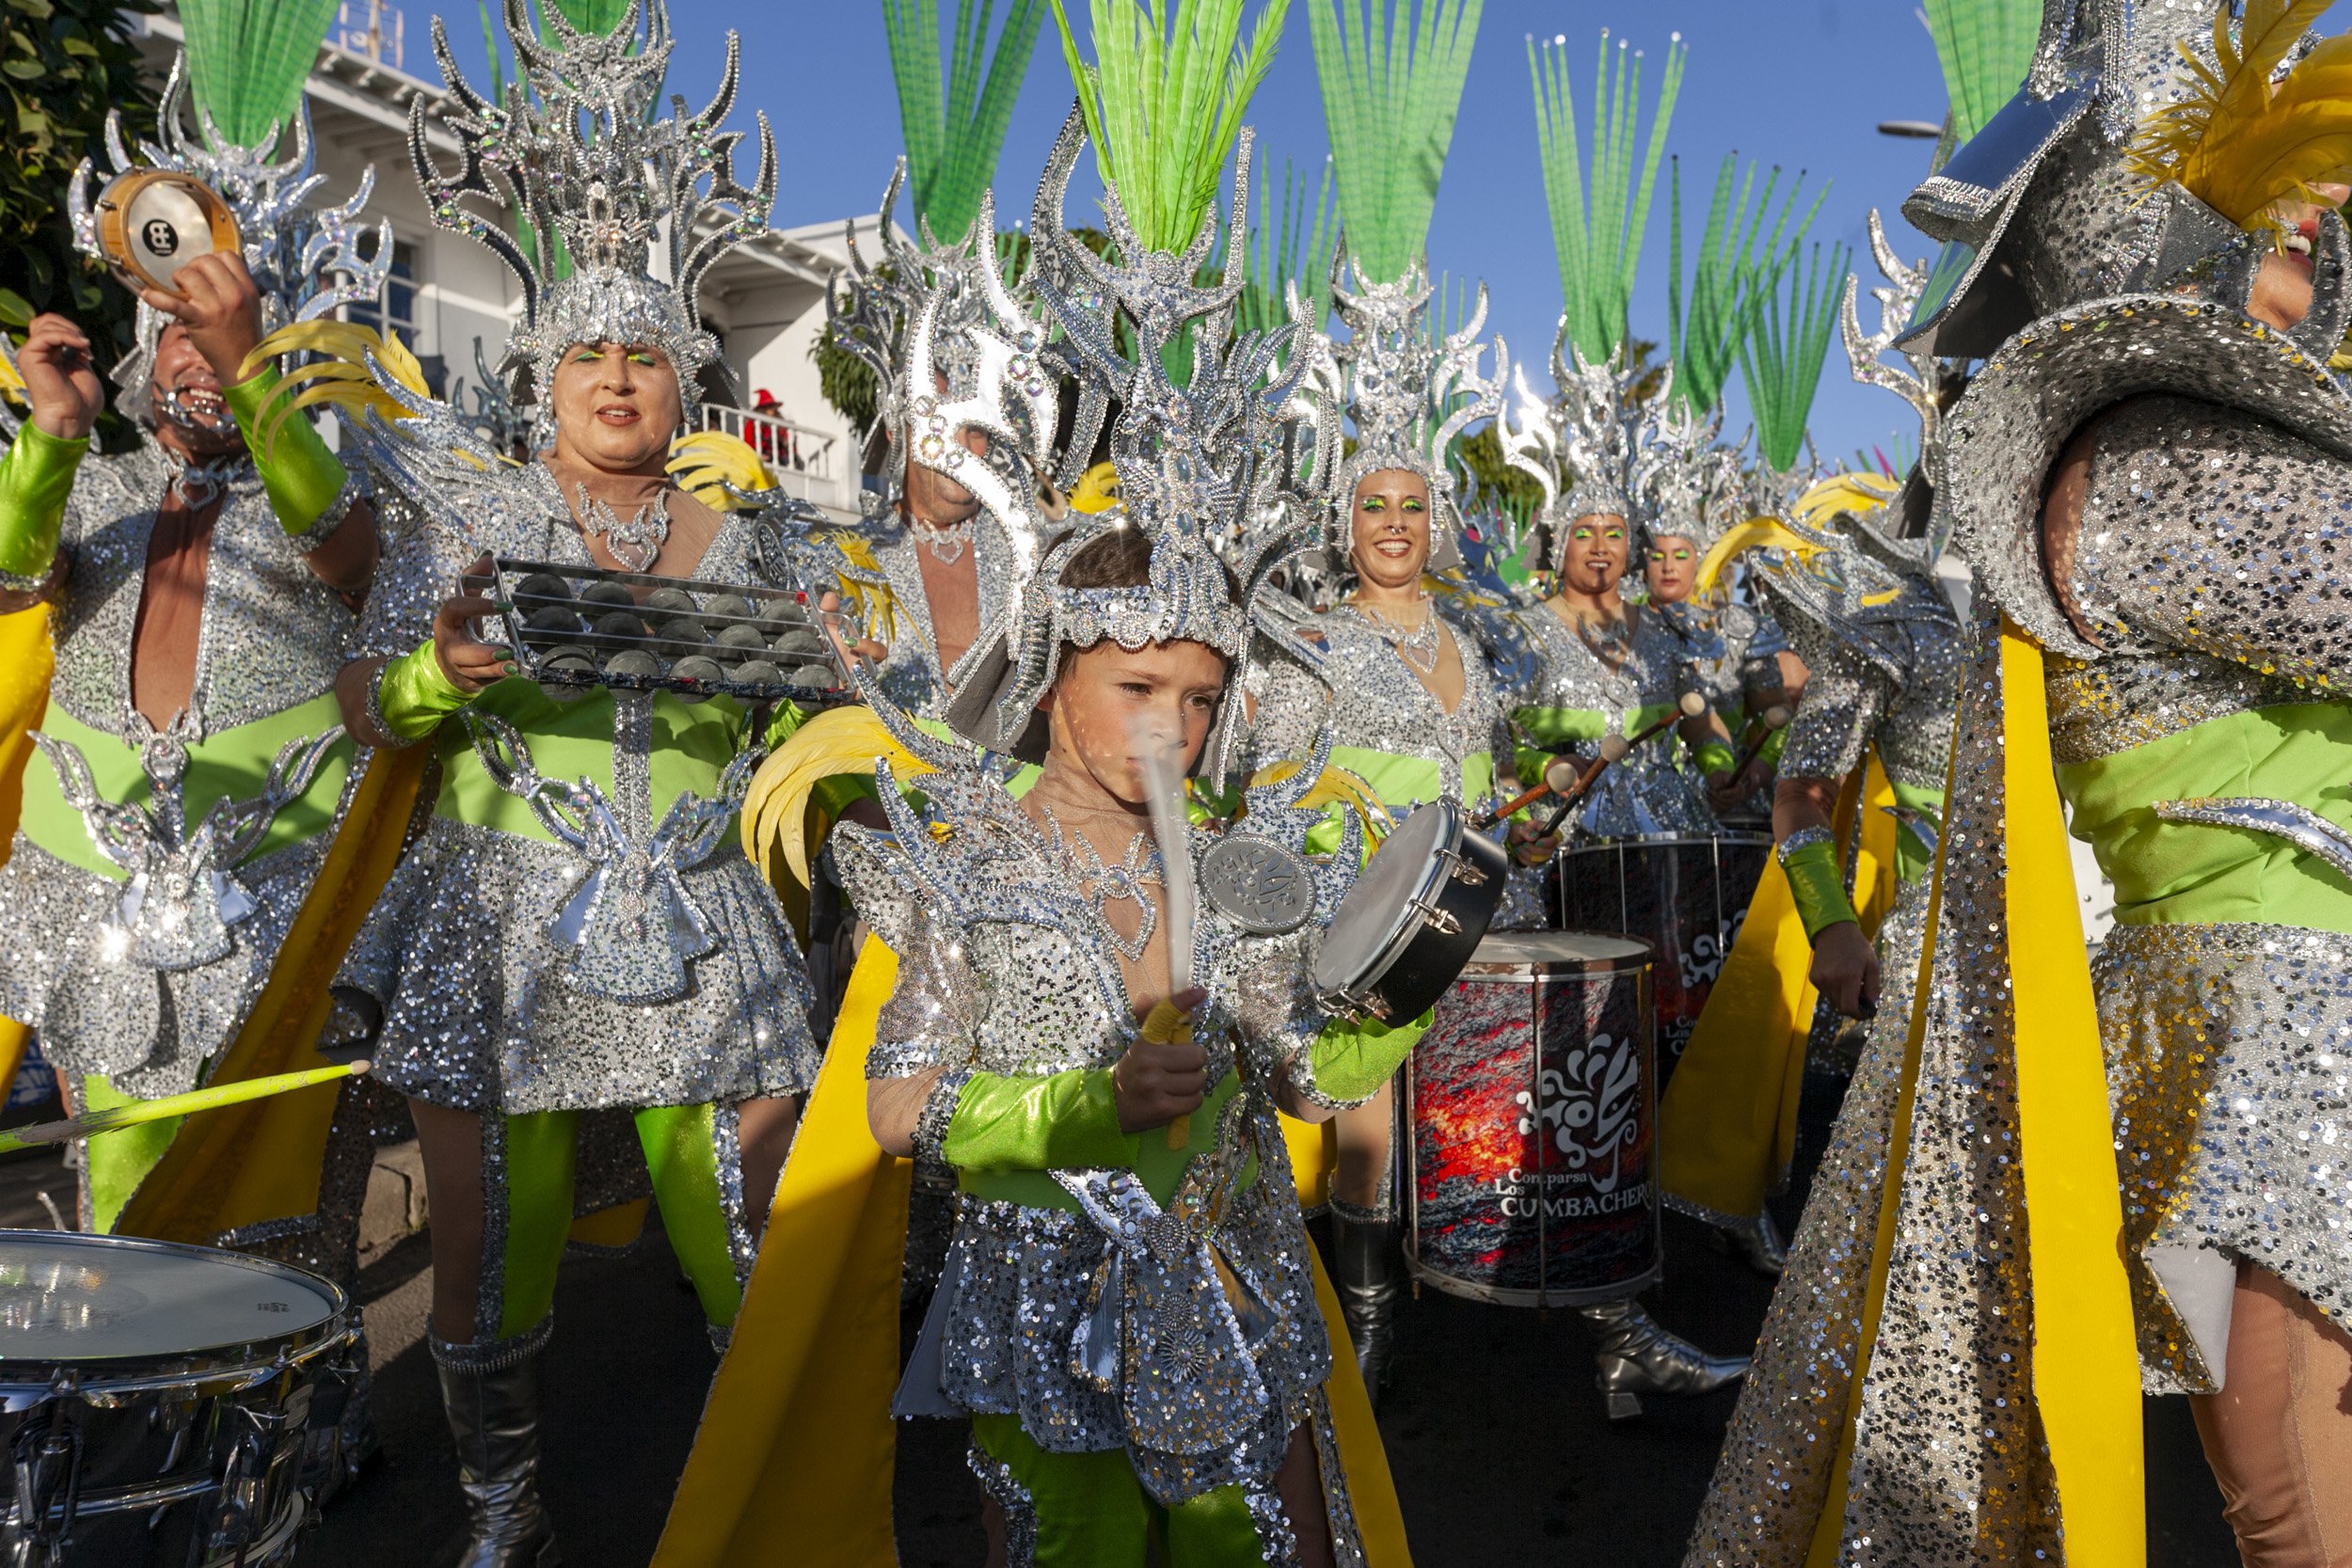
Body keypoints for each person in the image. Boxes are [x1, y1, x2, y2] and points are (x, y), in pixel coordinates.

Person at [1689, 2, 2352, 1560]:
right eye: (2284, 234)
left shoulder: (2164, 462)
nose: (2312, 264)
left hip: (2240, 995)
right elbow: (1803, 796)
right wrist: (1830, 924)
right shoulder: (2128, 466)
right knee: (2274, 1489)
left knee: (2283, 1477)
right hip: (2178, 1007)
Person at [311, 7, 820, 1560]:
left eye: (646, 359)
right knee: (484, 1257)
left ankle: (763, 1498)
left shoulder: (759, 538)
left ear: (685, 383)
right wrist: (435, 674)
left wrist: (810, 697)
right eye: (589, 354)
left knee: (759, 1246)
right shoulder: (473, 517)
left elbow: (841, 717)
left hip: (708, 922)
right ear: (542, 374)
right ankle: (501, 1502)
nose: (617, 380)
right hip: (503, 920)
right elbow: (368, 707)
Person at [0, 52, 393, 1475]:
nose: (188, 353)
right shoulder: (102, 489)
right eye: (165, 328)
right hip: (98, 892)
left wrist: (257, 374)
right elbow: (5, 582)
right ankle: (135, 1443)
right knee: (120, 1189)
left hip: (279, 893)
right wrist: (46, 442)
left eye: (214, 324)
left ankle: (300, 1439)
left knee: (287, 1197)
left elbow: (352, 560)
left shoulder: (329, 472)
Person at [1246, 259, 1535, 1402]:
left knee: (1496, 1087)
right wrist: (1346, 868)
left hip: (1481, 898)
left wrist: (1526, 814)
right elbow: (1272, 784)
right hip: (1365, 910)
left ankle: (1517, 1280)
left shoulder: (1483, 639)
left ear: (1439, 518)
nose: (1396, 525)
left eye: (1413, 504)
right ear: (1344, 516)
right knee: (1364, 1119)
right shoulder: (1313, 637)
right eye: (1374, 504)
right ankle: (1363, 1317)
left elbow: (1496, 771)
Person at [1502, 346, 1735, 839]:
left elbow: (1698, 721)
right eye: (1584, 533)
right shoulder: (1519, 633)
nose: (1600, 547)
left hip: (1668, 831)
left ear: (1632, 548)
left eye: (1615, 533)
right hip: (1563, 837)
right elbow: (1495, 741)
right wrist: (1542, 769)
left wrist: (1720, 767)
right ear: (1559, 544)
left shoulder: (1664, 632)